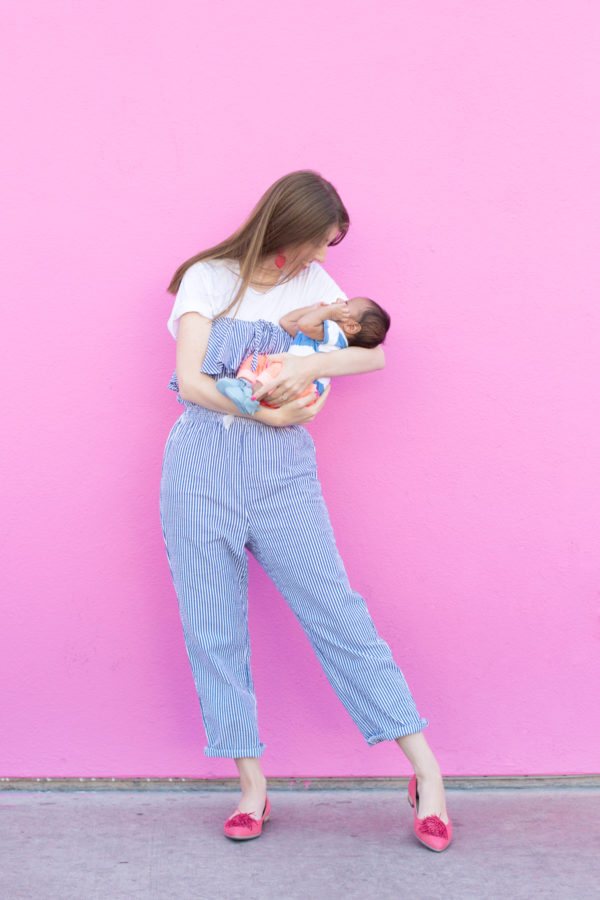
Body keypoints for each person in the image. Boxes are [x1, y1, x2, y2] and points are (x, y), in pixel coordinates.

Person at [160, 170, 452, 851]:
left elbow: (370, 355)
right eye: (319, 243)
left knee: (337, 612)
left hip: (282, 473)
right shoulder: (208, 278)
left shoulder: (316, 290)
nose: (326, 260)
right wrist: (261, 401)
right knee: (213, 627)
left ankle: (428, 775)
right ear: (287, 229)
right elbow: (193, 379)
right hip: (201, 466)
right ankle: (252, 786)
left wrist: (299, 377)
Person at [214, 296, 391, 414]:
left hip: (304, 384)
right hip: (294, 382)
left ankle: (249, 397)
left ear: (351, 327)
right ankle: (243, 385)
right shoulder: (322, 332)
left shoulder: (335, 334)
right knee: (259, 360)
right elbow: (287, 322)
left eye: (345, 303)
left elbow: (305, 324)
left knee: (275, 369)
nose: (338, 300)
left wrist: (327, 312)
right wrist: (314, 308)